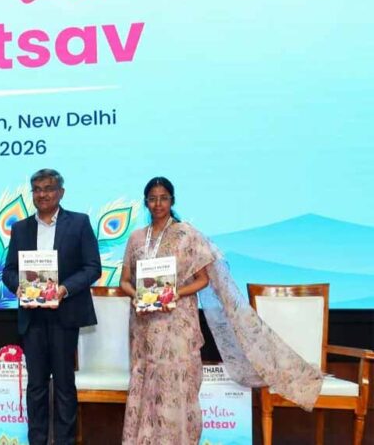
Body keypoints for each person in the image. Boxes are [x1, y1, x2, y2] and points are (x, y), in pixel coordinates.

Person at [119, 177, 322, 444]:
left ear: (172, 200)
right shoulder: (136, 238)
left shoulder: (187, 234)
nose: (158, 204)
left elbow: (203, 279)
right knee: (147, 384)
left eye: (164, 198)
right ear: (146, 202)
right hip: (145, 324)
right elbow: (125, 281)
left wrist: (176, 292)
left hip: (178, 323)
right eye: (152, 199)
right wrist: (137, 296)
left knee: (178, 385)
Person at [3, 169, 101, 445]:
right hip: (32, 317)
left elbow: (92, 267)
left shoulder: (79, 223)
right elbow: (9, 270)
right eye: (36, 189)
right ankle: (36, 441)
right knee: (35, 386)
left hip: (64, 316)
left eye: (48, 188)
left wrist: (64, 288)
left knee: (64, 385)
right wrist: (18, 286)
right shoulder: (20, 228)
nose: (42, 194)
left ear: (61, 192)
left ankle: (65, 441)